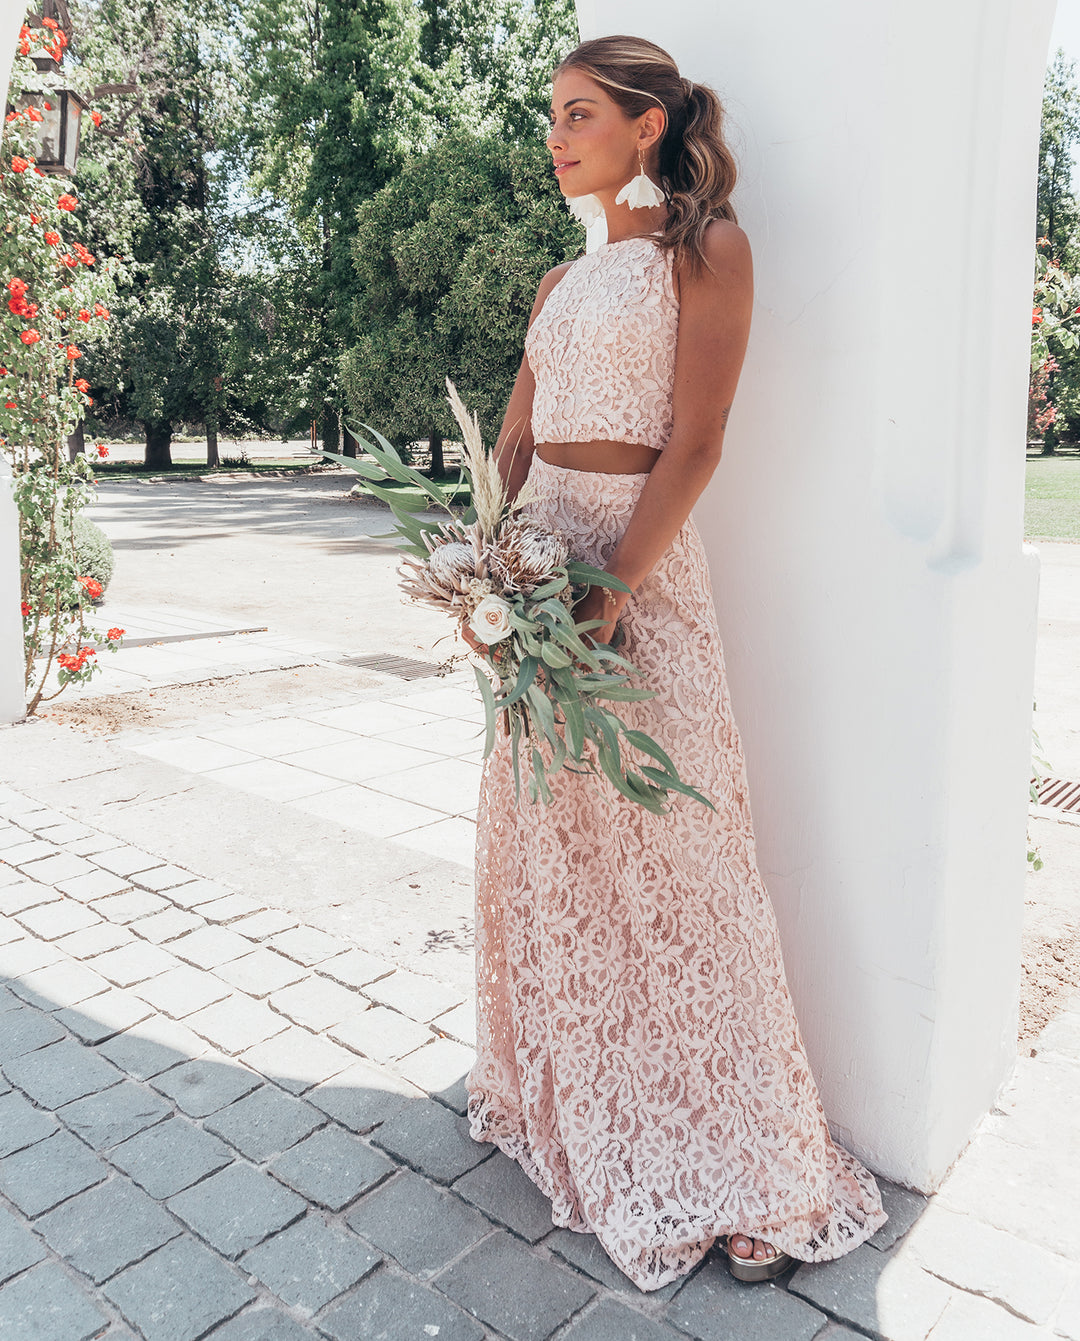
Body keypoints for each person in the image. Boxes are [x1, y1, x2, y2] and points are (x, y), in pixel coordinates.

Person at [462, 33, 888, 1293]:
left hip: (637, 575)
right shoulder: (560, 277)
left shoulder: (709, 250)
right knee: (558, 849)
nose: (556, 134)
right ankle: (571, 1100)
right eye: (549, 114)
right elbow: (519, 432)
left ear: (648, 125)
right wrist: (489, 573)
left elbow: (696, 446)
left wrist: (611, 593)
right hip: (539, 583)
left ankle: (757, 1163)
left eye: (579, 112)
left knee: (687, 856)